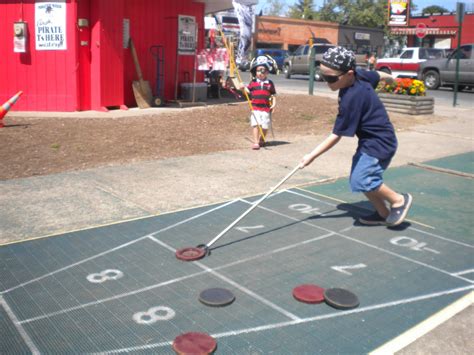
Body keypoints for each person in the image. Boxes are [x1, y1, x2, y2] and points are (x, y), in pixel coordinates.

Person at [299, 46, 412, 227]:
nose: (326, 81)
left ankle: (398, 200)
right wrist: (392, 78)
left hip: (380, 142)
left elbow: (336, 135)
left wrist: (311, 156)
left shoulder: (352, 98)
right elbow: (377, 74)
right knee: (358, 180)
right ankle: (383, 213)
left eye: (330, 78)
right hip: (369, 140)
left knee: (363, 178)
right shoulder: (360, 76)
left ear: (349, 74)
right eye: (322, 75)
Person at [241, 55, 276, 150]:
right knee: (256, 124)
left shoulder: (270, 83)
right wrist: (243, 88)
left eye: (263, 70)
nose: (260, 73)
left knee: (265, 125)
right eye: (258, 70)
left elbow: (273, 95)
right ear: (255, 72)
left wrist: (273, 104)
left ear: (267, 71)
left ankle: (262, 139)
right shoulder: (253, 83)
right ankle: (256, 142)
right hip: (255, 107)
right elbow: (248, 92)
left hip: (266, 108)